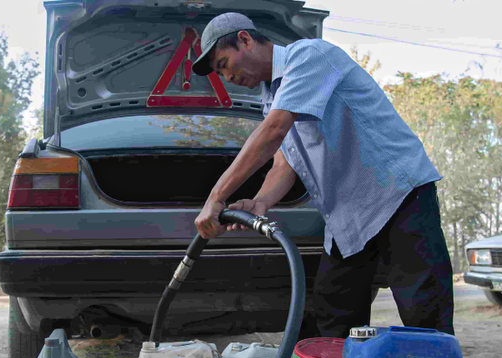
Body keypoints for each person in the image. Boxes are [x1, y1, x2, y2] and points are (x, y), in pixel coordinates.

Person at [191, 12, 454, 337]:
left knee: (425, 313)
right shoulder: (269, 96)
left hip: (398, 197)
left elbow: (274, 130)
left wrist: (216, 197)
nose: (226, 76)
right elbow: (285, 164)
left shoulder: (308, 56)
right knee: (333, 315)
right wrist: (260, 202)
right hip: (348, 217)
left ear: (245, 39)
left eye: (224, 63)